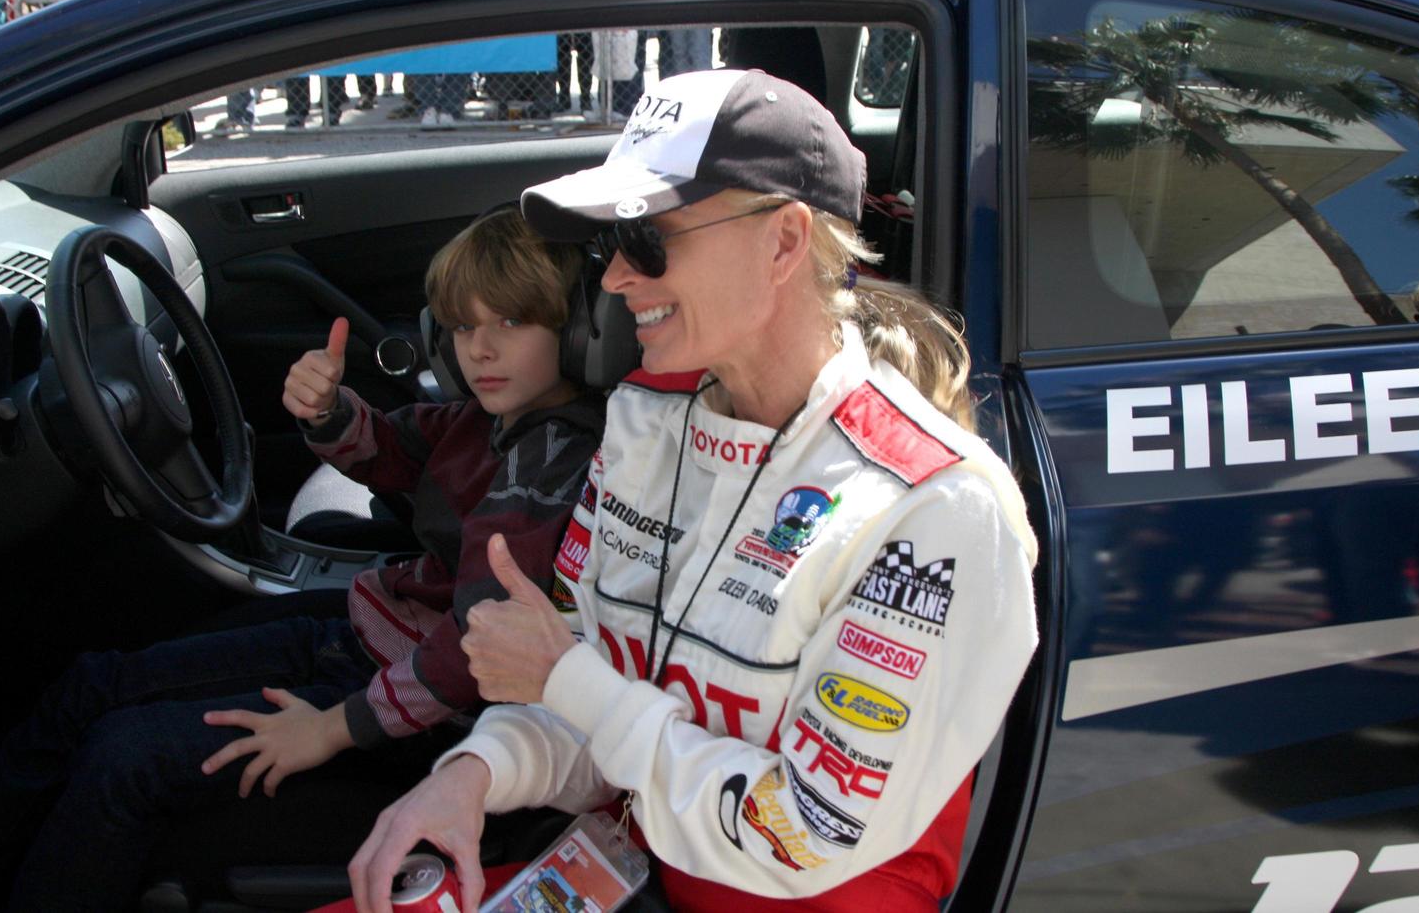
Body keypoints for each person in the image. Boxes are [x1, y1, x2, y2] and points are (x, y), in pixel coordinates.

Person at [347, 69, 1039, 912]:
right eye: (609, 248)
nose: (611, 282)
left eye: (647, 242)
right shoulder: (643, 422)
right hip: (635, 877)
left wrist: (566, 680)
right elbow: (586, 691)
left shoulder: (936, 507)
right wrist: (476, 771)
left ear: (784, 242)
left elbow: (802, 833)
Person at [0, 207, 606, 912]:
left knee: (123, 760)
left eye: (511, 324)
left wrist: (329, 729)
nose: (479, 350)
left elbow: (476, 648)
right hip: (370, 634)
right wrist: (330, 412)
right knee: (91, 687)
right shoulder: (488, 418)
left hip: (419, 712)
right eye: (462, 327)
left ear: (580, 331)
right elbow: (397, 451)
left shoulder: (551, 461)